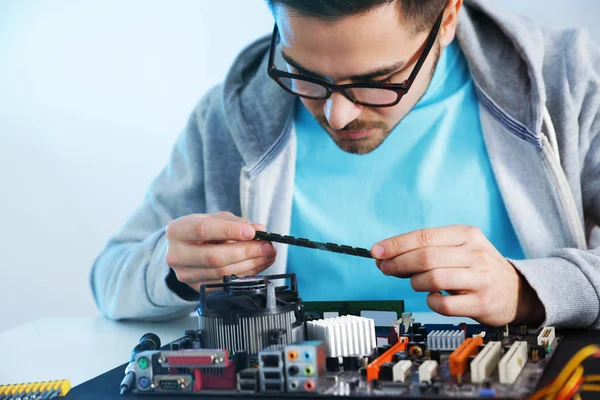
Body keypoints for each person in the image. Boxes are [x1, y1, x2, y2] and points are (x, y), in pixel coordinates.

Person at [90, 0, 600, 330]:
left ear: (446, 17)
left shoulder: (568, 81)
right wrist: (173, 269)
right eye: (304, 74)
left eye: (377, 82)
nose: (337, 114)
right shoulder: (229, 113)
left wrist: (529, 291)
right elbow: (110, 277)